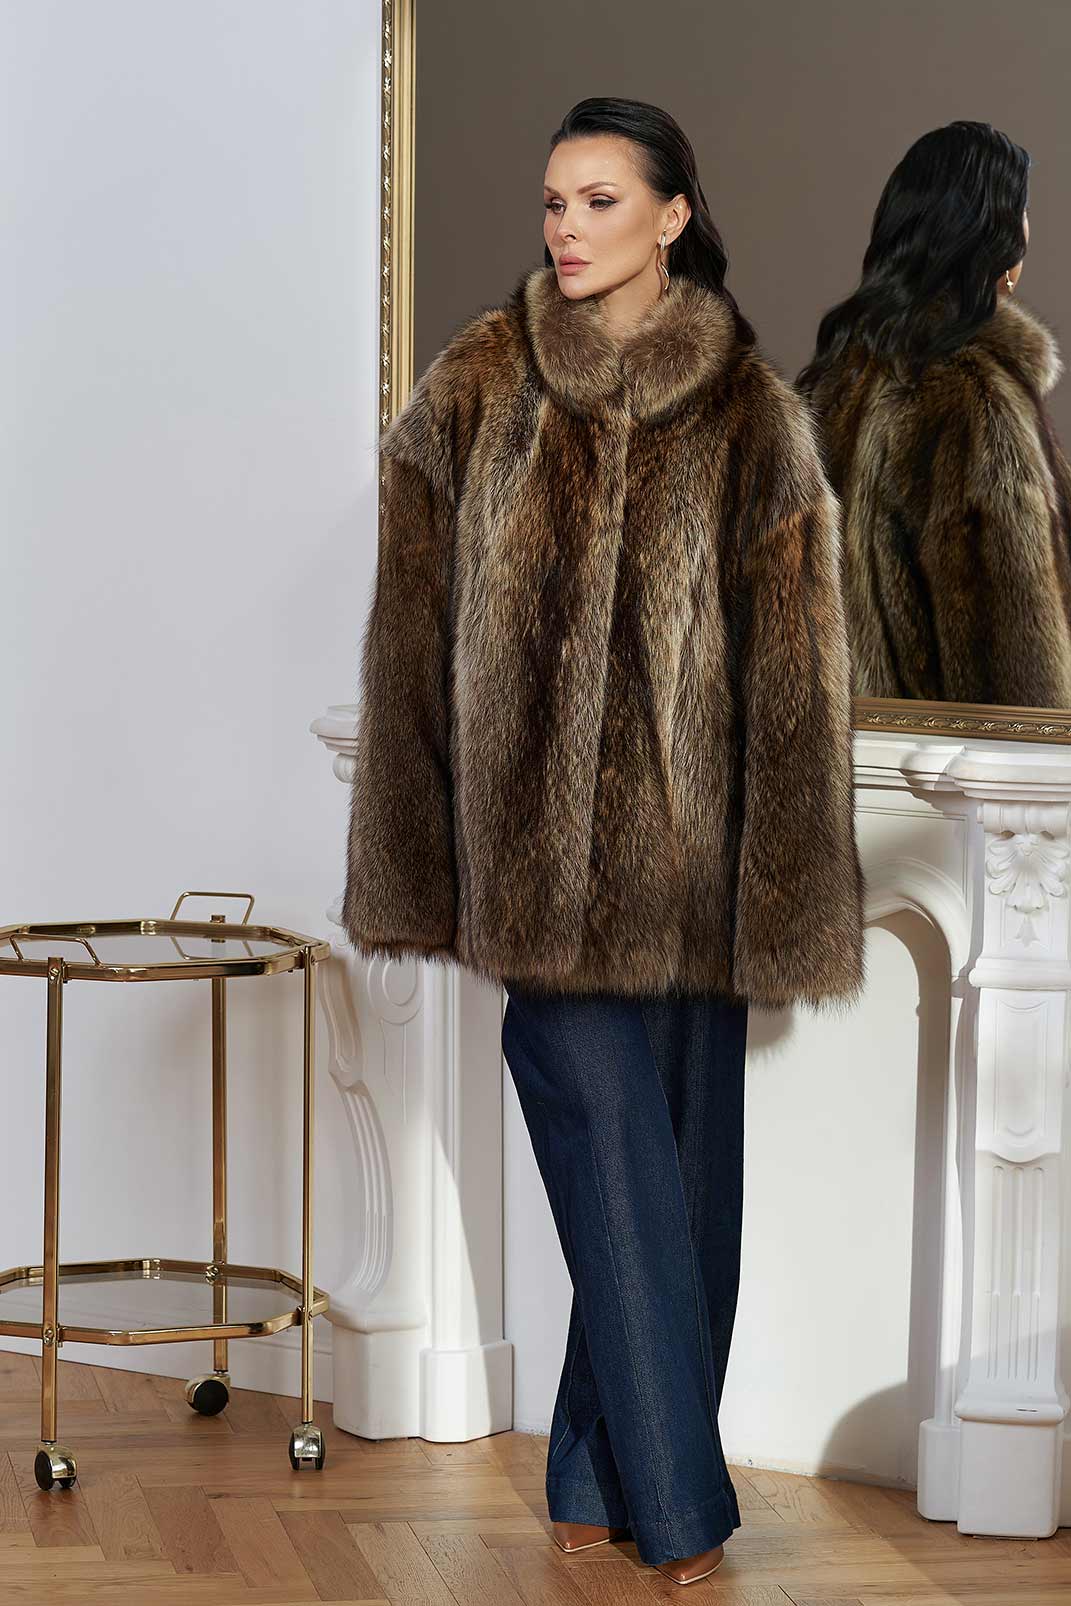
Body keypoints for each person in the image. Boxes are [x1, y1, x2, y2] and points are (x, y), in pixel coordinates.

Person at [343, 96, 866, 1585]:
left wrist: (781, 897)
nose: (564, 228)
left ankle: (587, 1472)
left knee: (685, 1190)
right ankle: (687, 1510)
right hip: (529, 875)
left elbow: (795, 684)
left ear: (671, 215)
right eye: (553, 203)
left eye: (597, 201)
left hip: (698, 876)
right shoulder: (477, 386)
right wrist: (414, 855)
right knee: (618, 1153)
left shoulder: (753, 413)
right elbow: (407, 642)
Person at [798, 120, 1071, 708]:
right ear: (999, 238)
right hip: (950, 761)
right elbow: (1012, 645)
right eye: (1021, 211)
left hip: (835, 748)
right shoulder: (976, 398)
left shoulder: (827, 387)